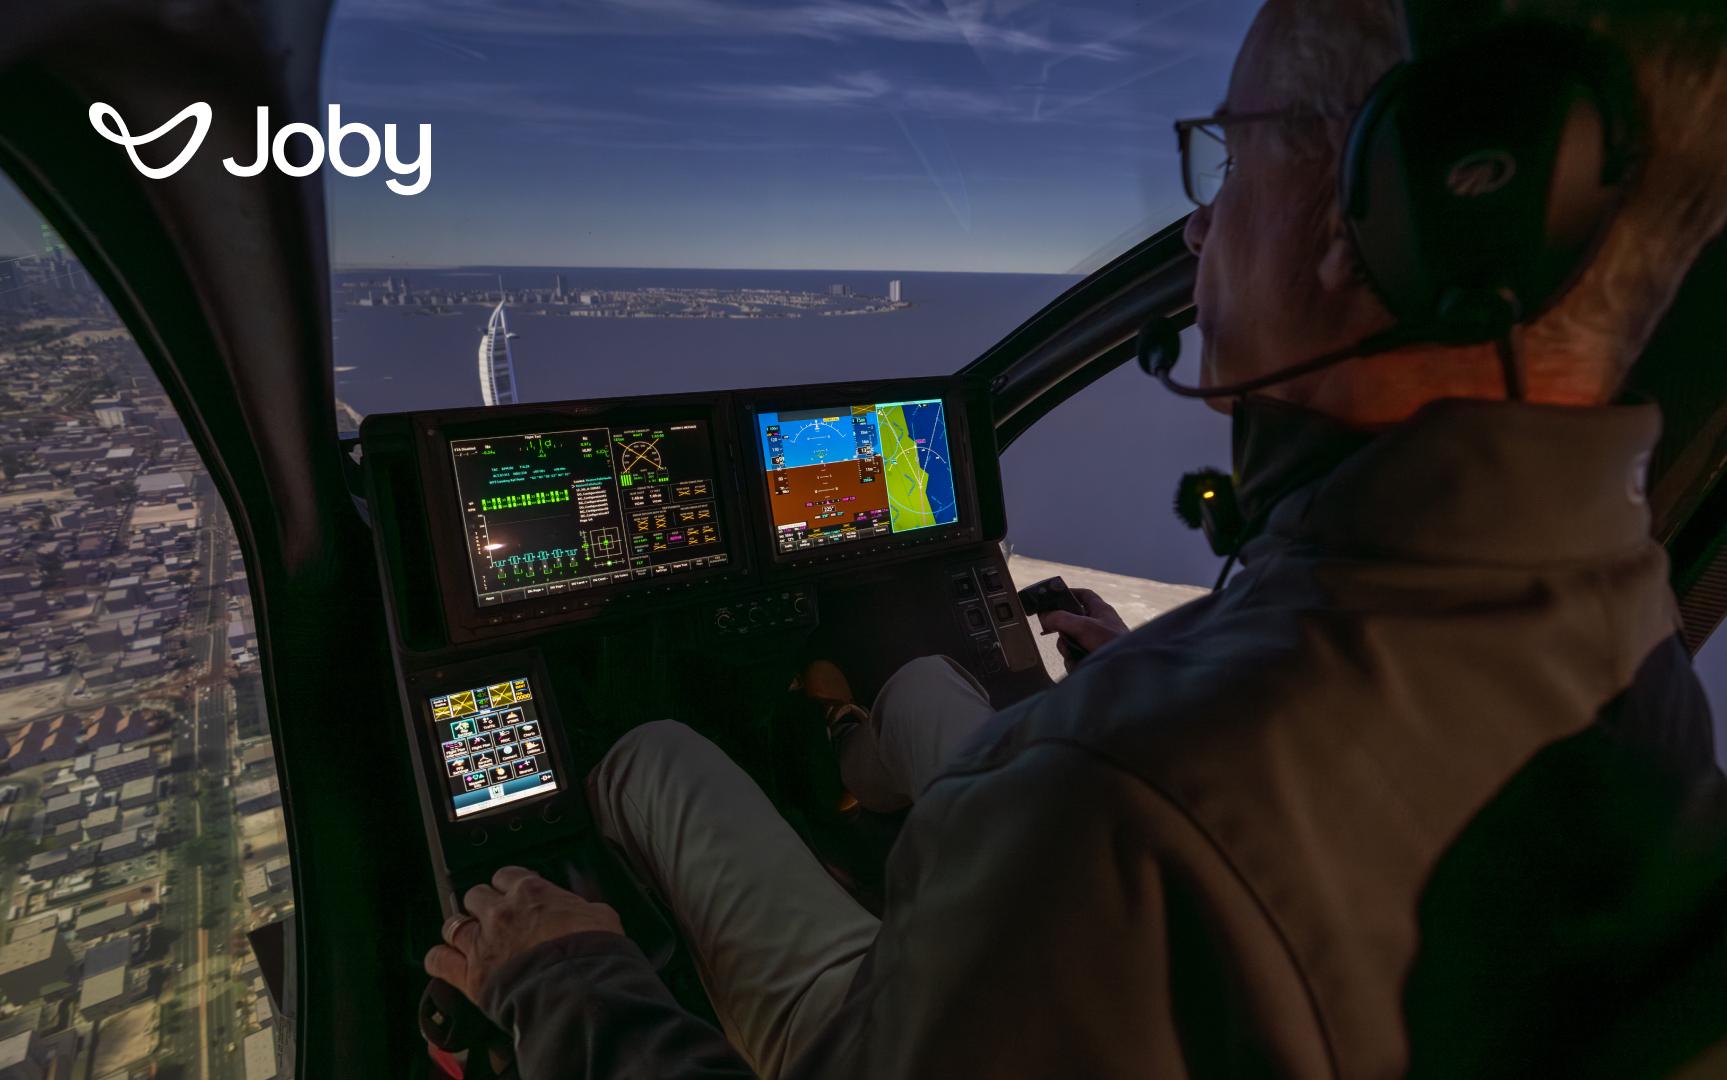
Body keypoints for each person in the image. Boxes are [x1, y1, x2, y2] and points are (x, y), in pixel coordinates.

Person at [425, 1, 1727, 1075]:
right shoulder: (1628, 639)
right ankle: (840, 750)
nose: (1202, 226)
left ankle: (713, 781)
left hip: (927, 998)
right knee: (926, 689)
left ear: (1373, 215)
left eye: (1233, 161)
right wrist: (1170, 668)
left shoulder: (1112, 797)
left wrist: (564, 977)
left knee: (652, 754)